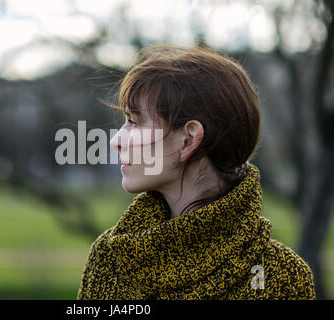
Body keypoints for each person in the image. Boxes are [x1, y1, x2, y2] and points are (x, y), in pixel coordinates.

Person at [77, 45, 315, 300]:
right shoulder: (110, 261)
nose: (117, 141)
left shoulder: (280, 277)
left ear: (188, 139)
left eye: (134, 121)